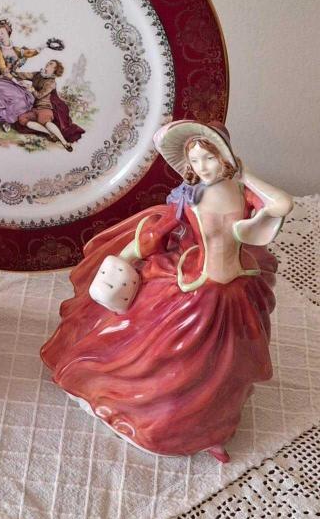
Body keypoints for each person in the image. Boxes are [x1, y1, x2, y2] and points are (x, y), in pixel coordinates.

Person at [40, 120, 293, 462]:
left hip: (235, 289)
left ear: (225, 157)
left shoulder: (243, 194)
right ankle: (168, 426)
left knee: (226, 365)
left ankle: (212, 428)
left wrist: (245, 175)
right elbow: (157, 234)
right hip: (194, 286)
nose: (203, 167)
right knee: (171, 363)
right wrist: (126, 256)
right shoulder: (188, 197)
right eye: (196, 161)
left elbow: (282, 204)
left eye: (210, 158)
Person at [15, 59, 85, 151]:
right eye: (48, 62)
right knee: (22, 119)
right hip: (34, 108)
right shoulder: (38, 74)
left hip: (45, 108)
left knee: (44, 121)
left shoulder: (51, 82)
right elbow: (24, 75)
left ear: (55, 69)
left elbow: (39, 95)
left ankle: (64, 142)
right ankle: (49, 133)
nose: (48, 64)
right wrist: (16, 71)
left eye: (51, 64)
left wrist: (31, 89)